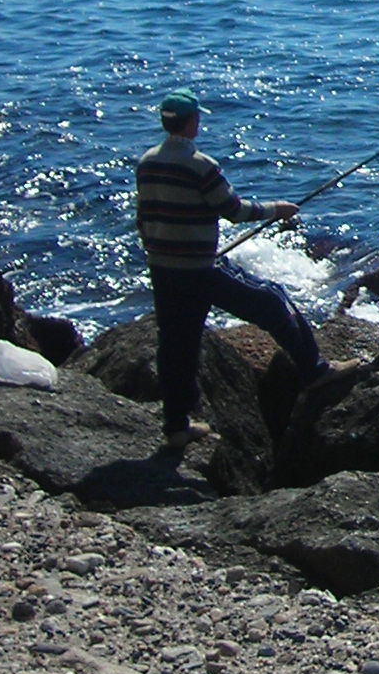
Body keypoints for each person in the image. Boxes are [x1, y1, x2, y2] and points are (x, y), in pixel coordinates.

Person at [135, 89, 321, 449]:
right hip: (197, 270)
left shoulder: (147, 162)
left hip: (162, 268)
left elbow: (144, 216)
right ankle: (315, 370)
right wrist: (277, 209)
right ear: (191, 122)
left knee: (177, 344)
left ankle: (176, 426)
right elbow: (234, 210)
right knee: (272, 301)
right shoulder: (200, 165)